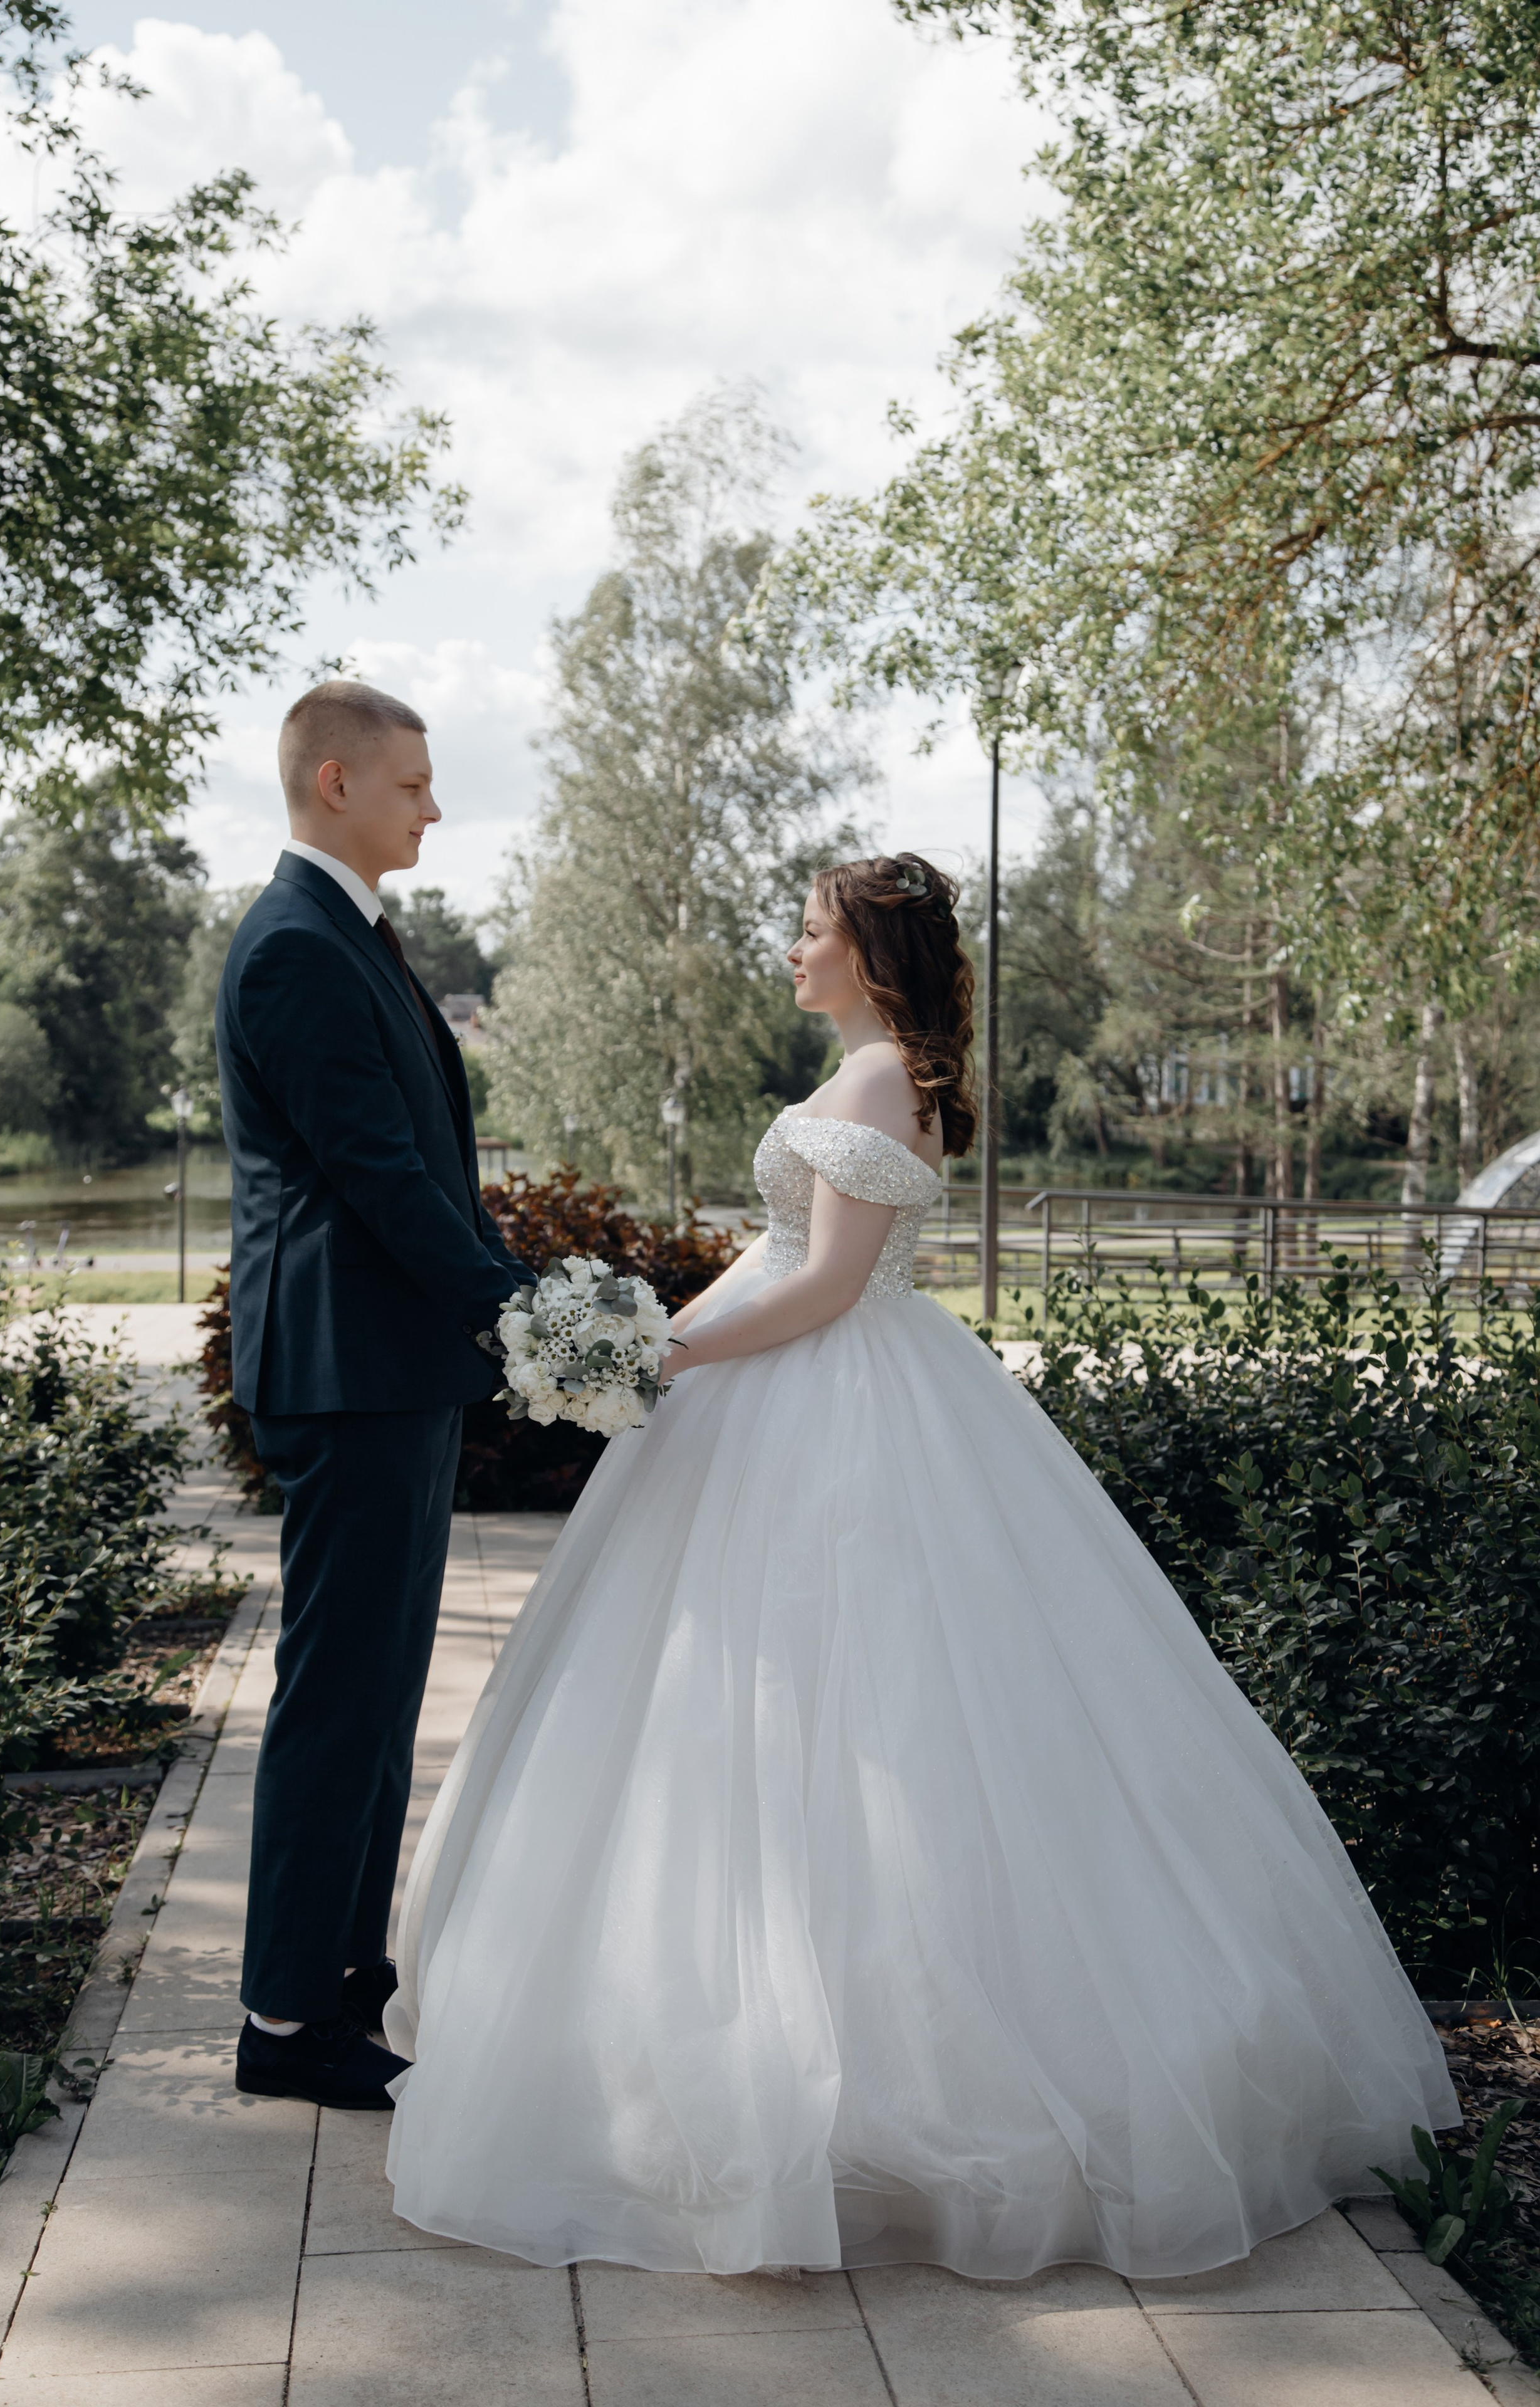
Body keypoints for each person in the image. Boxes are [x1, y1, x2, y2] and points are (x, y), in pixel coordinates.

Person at [383, 850, 1455, 2279]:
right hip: (769, 1391)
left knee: (874, 1715)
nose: (790, 948)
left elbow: (828, 1286)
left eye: (810, 930)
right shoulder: (857, 1074)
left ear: (867, 953)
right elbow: (770, 1256)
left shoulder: (885, 1075)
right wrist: (636, 1340)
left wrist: (667, 1357)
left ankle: (890, 2087)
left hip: (847, 1410)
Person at [216, 679, 525, 2111]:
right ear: (333, 783)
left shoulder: (352, 935)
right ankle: (283, 2024)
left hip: (389, 1369)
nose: (434, 806)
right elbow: (375, 1175)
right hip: (346, 1373)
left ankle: (345, 1991)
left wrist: (510, 1287)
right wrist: (516, 1311)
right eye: (411, 784)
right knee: (338, 1702)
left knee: (379, 1697)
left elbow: (423, 1163)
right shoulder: (293, 946)